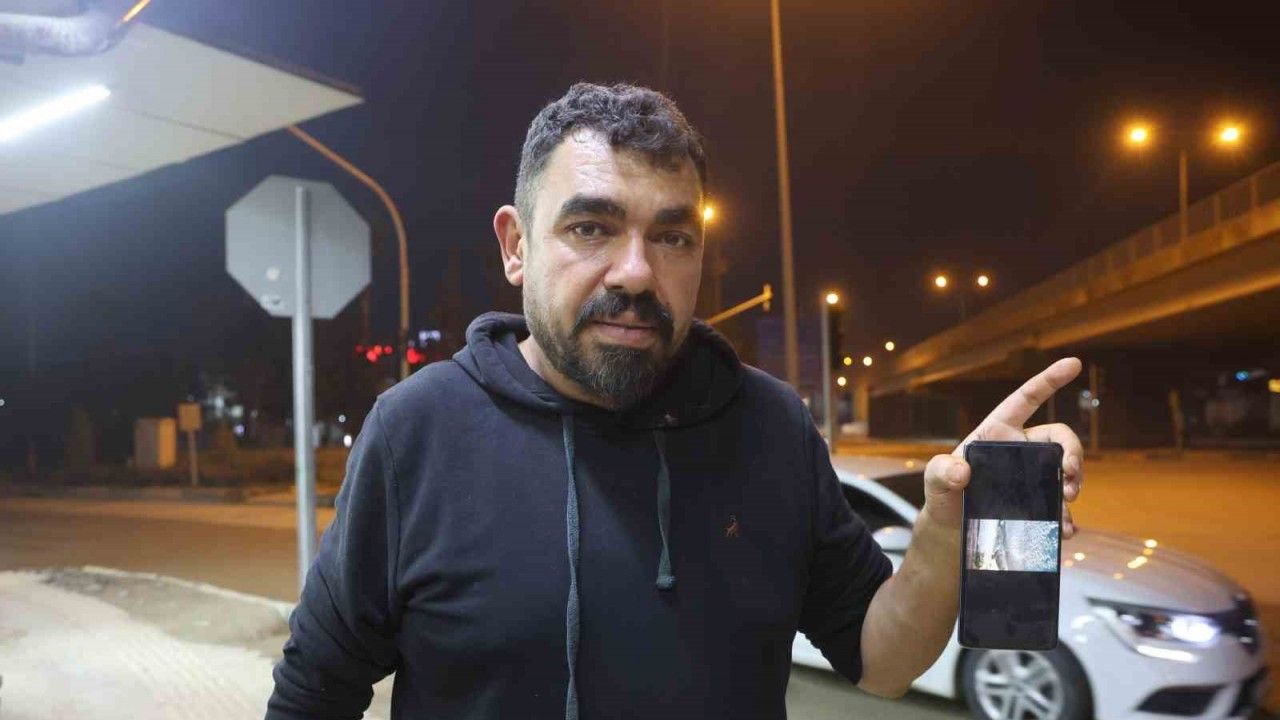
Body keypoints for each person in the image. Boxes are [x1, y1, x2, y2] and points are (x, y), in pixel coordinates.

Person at [266, 82, 1085, 720]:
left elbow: (883, 663)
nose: (635, 272)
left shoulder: (771, 427)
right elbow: (314, 691)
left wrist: (945, 528)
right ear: (516, 246)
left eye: (672, 236)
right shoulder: (418, 430)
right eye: (591, 228)